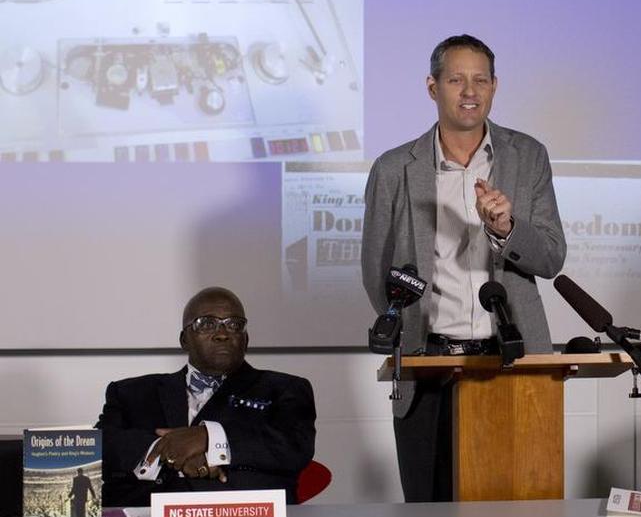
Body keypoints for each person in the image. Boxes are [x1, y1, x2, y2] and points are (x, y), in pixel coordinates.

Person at [361, 34, 566, 502]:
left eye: (480, 80)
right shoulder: (394, 168)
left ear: (495, 87)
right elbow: (378, 271)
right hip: (426, 362)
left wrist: (507, 227)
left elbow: (551, 258)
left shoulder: (527, 156)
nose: (469, 91)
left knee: (518, 503)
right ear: (433, 88)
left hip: (511, 360)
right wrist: (407, 327)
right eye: (456, 79)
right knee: (430, 503)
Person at [96, 287, 316, 507]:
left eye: (234, 325)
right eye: (207, 324)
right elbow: (99, 448)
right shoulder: (131, 392)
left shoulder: (285, 388)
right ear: (184, 340)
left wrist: (210, 439)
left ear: (245, 339)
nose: (222, 333)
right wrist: (167, 449)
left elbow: (293, 445)